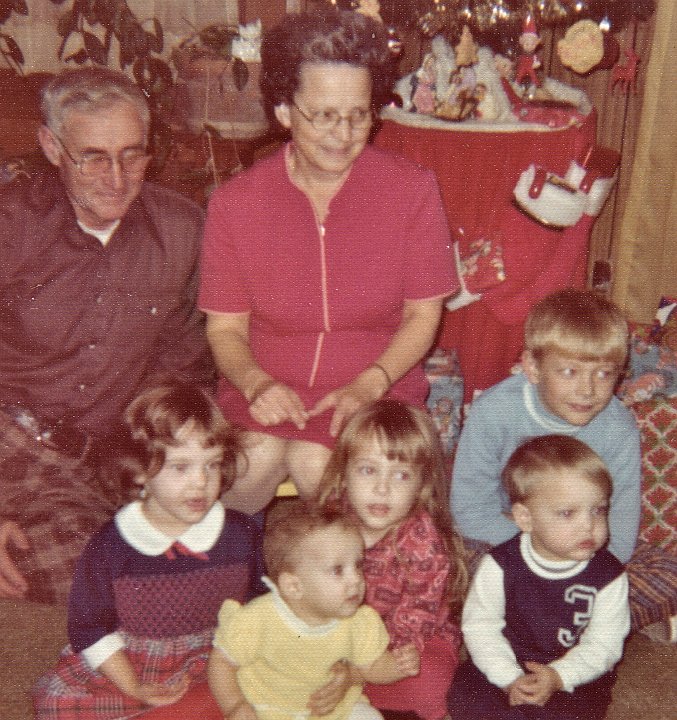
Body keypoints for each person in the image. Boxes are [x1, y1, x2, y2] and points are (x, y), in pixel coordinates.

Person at [199, 10, 457, 513]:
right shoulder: (235, 203)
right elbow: (224, 331)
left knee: (323, 466)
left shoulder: (412, 190)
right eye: (323, 115)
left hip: (380, 386)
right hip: (265, 390)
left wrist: (369, 384)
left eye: (359, 114)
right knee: (247, 469)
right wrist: (256, 384)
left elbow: (424, 315)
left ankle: (371, 581)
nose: (344, 134)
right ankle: (243, 577)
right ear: (283, 112)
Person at [0, 67, 214, 604]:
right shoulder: (11, 225)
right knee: (99, 579)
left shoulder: (184, 232)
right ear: (52, 146)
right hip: (10, 440)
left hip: (103, 456)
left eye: (131, 154)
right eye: (92, 156)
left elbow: (182, 370)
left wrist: (153, 469)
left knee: (157, 572)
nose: (115, 177)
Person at [450, 287, 677, 633]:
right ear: (533, 367)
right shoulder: (493, 412)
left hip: (585, 545)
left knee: (669, 572)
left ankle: (550, 621)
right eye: (569, 372)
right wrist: (545, 552)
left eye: (603, 373)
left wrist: (587, 568)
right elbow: (469, 511)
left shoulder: (618, 427)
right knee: (453, 565)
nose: (587, 390)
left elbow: (622, 521)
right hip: (508, 539)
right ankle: (579, 624)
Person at [33, 381, 262, 720]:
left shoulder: (241, 533)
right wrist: (133, 686)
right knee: (54, 701)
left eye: (212, 465)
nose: (201, 481)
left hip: (217, 660)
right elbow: (90, 627)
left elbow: (260, 606)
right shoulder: (111, 545)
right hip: (133, 664)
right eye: (181, 467)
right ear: (139, 472)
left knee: (273, 687)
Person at [447, 435, 630, 719]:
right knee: (465, 695)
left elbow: (603, 644)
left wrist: (559, 676)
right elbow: (480, 627)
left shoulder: (609, 576)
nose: (588, 525)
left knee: (573, 710)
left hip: (573, 674)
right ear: (525, 518)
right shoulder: (500, 565)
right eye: (567, 513)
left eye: (598, 510)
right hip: (507, 660)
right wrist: (507, 677)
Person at [318, 398, 467, 720]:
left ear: (420, 486)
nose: (381, 488)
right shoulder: (329, 521)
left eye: (400, 476)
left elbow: (417, 615)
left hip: (411, 639)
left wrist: (369, 666)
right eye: (368, 470)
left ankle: (364, 687)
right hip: (343, 631)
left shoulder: (423, 540)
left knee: (427, 678)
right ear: (343, 475)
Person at [207, 499, 420, 720]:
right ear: (294, 586)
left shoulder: (359, 620)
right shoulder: (260, 618)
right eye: (338, 570)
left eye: (357, 565)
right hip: (270, 710)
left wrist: (396, 666)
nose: (356, 579)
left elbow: (372, 666)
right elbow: (222, 662)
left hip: (334, 710)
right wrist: (234, 705)